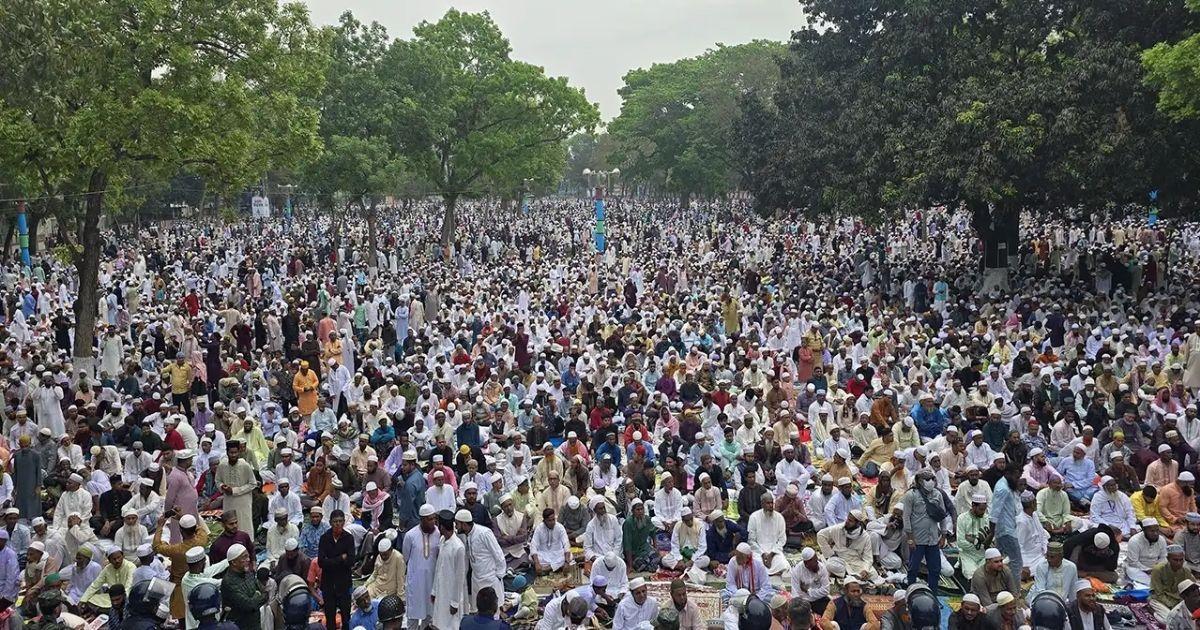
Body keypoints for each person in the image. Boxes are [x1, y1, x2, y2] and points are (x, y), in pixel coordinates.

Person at [902, 469, 948, 596]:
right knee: (913, 568)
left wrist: (943, 535)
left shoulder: (937, 494)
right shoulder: (911, 495)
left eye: (932, 479)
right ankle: (911, 593)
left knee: (935, 569)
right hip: (917, 539)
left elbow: (942, 515)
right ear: (920, 481)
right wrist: (910, 538)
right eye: (926, 479)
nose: (930, 482)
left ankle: (933, 594)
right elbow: (906, 517)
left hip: (933, 538)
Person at [318, 509, 356, 630]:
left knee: (346, 618)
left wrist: (331, 560)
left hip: (343, 583)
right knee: (330, 618)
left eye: (340, 521)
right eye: (335, 521)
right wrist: (340, 558)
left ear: (344, 522)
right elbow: (321, 562)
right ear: (330, 522)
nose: (338, 524)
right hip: (328, 584)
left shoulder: (349, 538)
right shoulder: (324, 538)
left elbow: (350, 561)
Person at [431, 510, 468, 630]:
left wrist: (455, 602)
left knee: (452, 625)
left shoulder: (458, 547)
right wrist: (434, 591)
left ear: (441, 526)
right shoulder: (442, 541)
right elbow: (438, 568)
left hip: (452, 595)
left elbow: (459, 577)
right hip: (441, 592)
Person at [221, 543, 266, 630]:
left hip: (255, 624)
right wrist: (257, 595)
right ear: (233, 562)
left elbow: (265, 594)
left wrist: (254, 599)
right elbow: (248, 605)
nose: (248, 560)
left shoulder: (249, 573)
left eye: (248, 556)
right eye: (244, 557)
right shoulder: (228, 582)